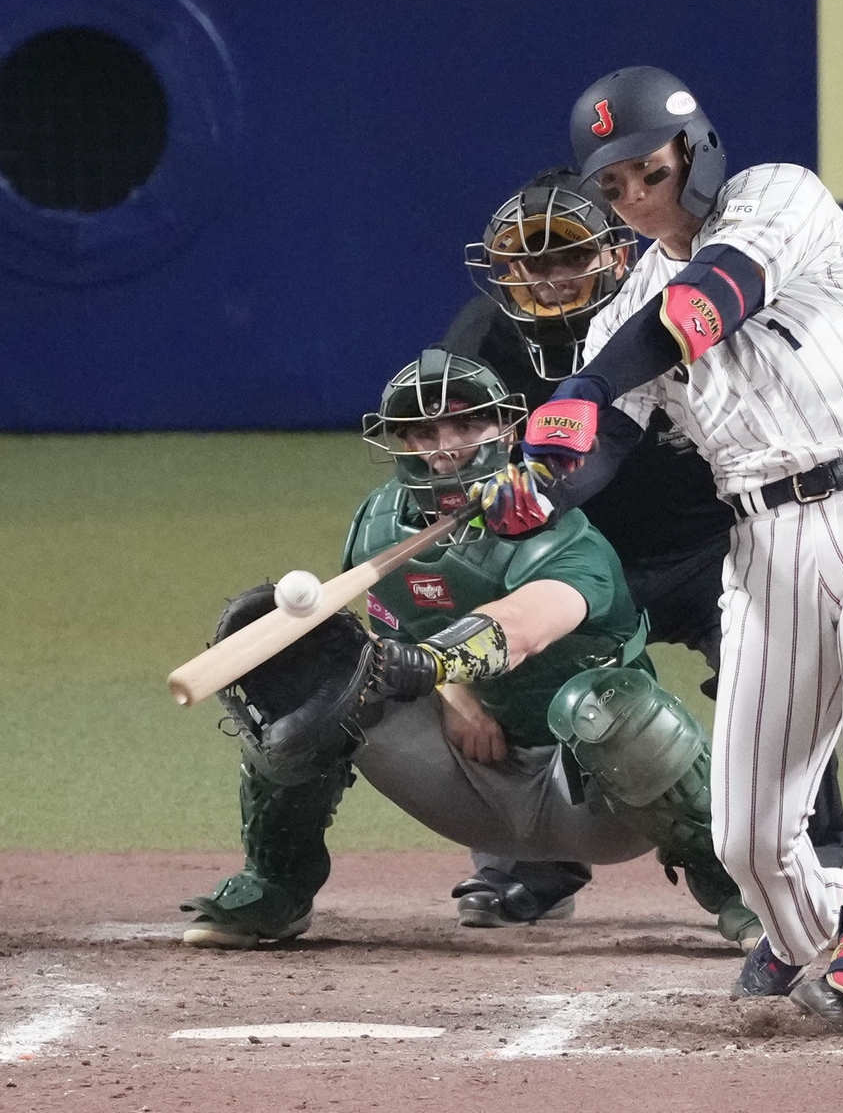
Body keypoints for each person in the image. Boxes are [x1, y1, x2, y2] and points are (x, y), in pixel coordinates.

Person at [487, 67, 843, 1032]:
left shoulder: (779, 197)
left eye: (646, 168)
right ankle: (811, 943)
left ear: (694, 151)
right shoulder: (621, 307)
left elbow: (708, 302)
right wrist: (531, 488)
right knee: (748, 836)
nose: (633, 194)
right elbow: (607, 447)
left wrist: (584, 389)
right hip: (763, 549)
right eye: (615, 183)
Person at [180, 348, 760, 952]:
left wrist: (435, 665)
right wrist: (455, 698)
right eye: (422, 431)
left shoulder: (559, 532)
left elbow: (522, 626)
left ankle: (735, 891)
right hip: (473, 781)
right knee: (317, 688)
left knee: (615, 704)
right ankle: (276, 885)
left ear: (507, 431)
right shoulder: (379, 525)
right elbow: (393, 632)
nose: (444, 445)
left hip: (599, 794)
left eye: (465, 424)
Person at [442, 170, 843, 920]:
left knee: (775, 660)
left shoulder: (673, 317)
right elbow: (446, 457)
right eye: (529, 261)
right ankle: (529, 865)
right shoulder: (481, 346)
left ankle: (819, 848)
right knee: (520, 663)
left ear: (616, 254)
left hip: (709, 548)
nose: (550, 277)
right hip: (569, 559)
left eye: (567, 255)